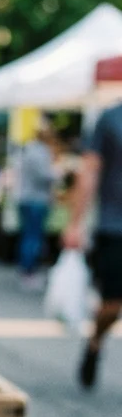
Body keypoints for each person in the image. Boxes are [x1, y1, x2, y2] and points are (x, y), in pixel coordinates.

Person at [66, 102, 122, 387]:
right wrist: (76, 223)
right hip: (114, 227)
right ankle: (95, 342)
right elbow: (89, 171)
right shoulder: (110, 119)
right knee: (112, 304)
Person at [17, 122, 58, 288]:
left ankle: (27, 270)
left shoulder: (28, 149)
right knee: (33, 238)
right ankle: (29, 272)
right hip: (36, 199)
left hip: (26, 198)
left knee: (28, 236)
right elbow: (44, 175)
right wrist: (59, 173)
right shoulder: (40, 152)